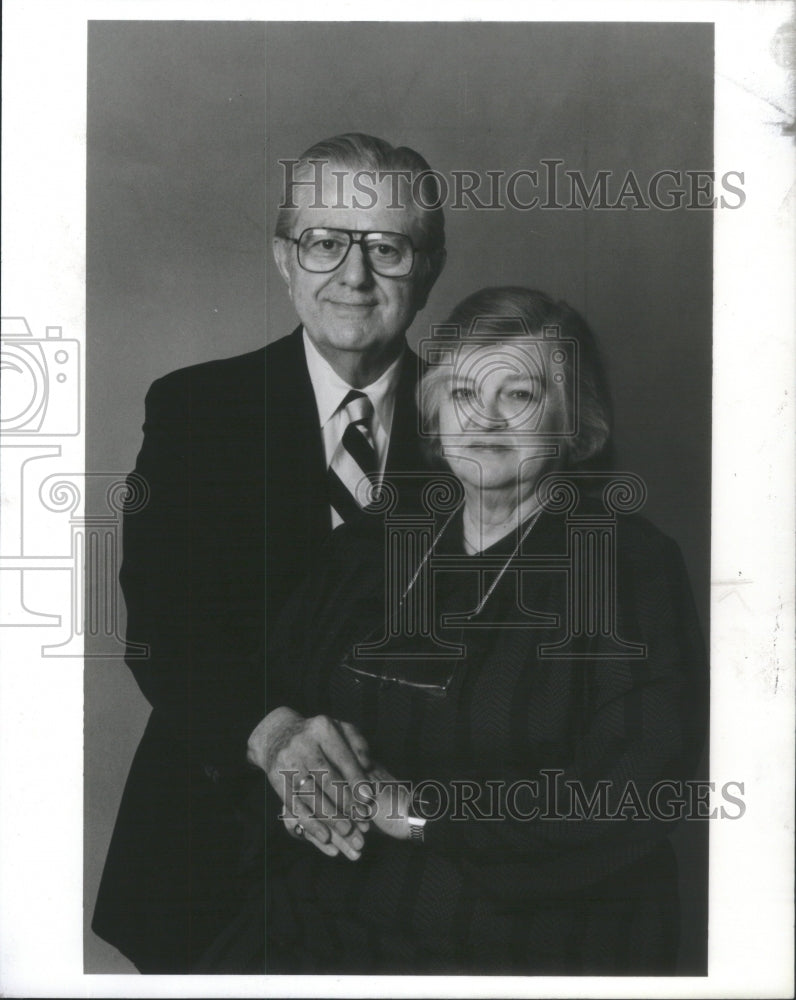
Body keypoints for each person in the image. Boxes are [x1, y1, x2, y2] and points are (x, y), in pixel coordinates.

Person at [230, 286, 708, 974]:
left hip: (528, 952)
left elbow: (631, 791)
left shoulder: (628, 564)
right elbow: (280, 696)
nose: (483, 419)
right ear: (433, 412)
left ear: (574, 420)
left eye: (518, 395)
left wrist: (422, 814)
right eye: (461, 394)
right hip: (324, 936)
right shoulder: (373, 542)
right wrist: (297, 781)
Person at [92, 133, 446, 972]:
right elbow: (162, 622)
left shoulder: (483, 433)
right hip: (212, 862)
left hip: (405, 878)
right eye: (325, 243)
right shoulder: (197, 410)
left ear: (429, 266)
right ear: (285, 260)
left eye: (386, 248)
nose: (352, 278)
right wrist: (274, 731)